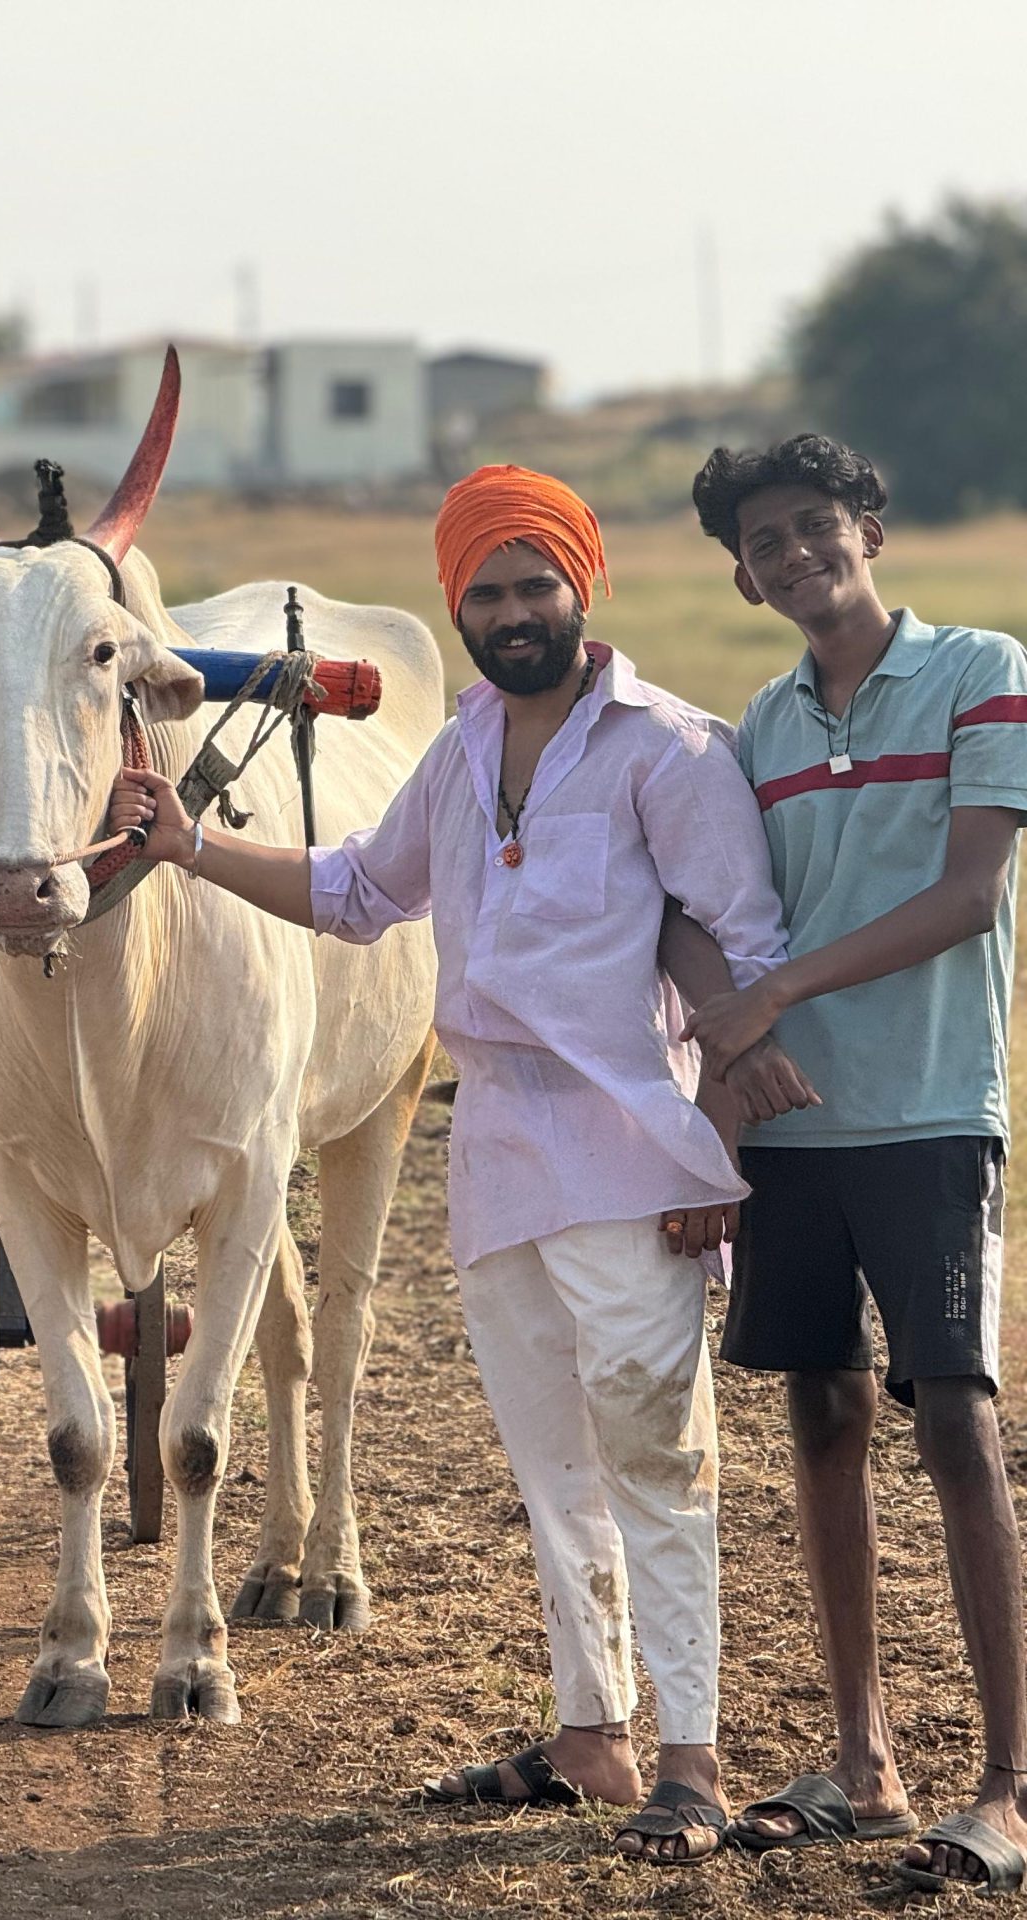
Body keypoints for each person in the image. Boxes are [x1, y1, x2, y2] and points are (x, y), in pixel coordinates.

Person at [108, 466, 810, 1863]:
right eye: (486, 593)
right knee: (552, 1466)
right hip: (496, 1156)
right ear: (456, 606)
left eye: (535, 585)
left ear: (581, 588)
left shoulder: (672, 750)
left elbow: (750, 966)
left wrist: (712, 1163)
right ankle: (590, 1736)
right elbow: (359, 892)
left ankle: (691, 1763)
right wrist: (189, 846)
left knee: (657, 1459)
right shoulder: (460, 748)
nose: (512, 613)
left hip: (636, 1160)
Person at [681, 435, 1027, 1893]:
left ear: (867, 528)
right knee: (820, 1417)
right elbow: (690, 904)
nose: (796, 554)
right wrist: (731, 1035)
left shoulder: (980, 671)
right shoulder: (751, 732)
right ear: (742, 578)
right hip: (794, 1126)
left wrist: (773, 991)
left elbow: (970, 893)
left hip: (933, 1110)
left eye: (816, 524)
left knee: (954, 1421)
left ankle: (1009, 1787)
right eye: (764, 541)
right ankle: (866, 1762)